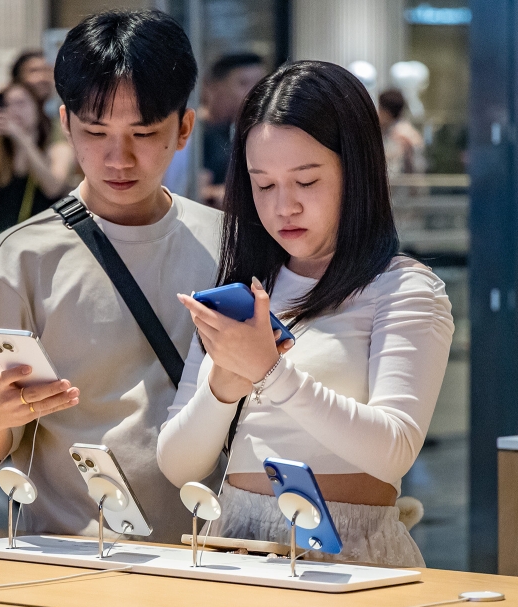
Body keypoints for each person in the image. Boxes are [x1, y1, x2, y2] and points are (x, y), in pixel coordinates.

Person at [0, 9, 221, 544]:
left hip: (218, 554)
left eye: (144, 131)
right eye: (95, 132)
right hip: (72, 550)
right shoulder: (22, 257)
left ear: (183, 128)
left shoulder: (226, 243)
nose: (119, 157)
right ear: (65, 124)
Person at [157, 61, 454, 567]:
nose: (283, 207)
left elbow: (395, 448)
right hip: (232, 538)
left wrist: (270, 373)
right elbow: (178, 462)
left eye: (307, 181)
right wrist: (224, 385)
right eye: (264, 185)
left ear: (355, 171)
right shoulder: (244, 288)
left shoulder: (402, 287)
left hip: (348, 549)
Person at [0, 81, 74, 278]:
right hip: (5, 255)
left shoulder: (57, 149)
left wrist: (22, 138)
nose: (14, 110)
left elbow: (52, 187)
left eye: (21, 103)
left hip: (47, 252)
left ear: (37, 108)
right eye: (7, 105)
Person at [199, 53, 267, 208]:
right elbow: (191, 191)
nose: (255, 92)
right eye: (243, 83)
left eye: (260, 84)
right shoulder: (195, 134)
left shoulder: (255, 132)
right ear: (214, 87)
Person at [378, 88, 426, 175]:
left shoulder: (400, 135)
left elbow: (393, 170)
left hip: (402, 184)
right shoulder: (402, 130)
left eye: (380, 109)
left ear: (386, 112)